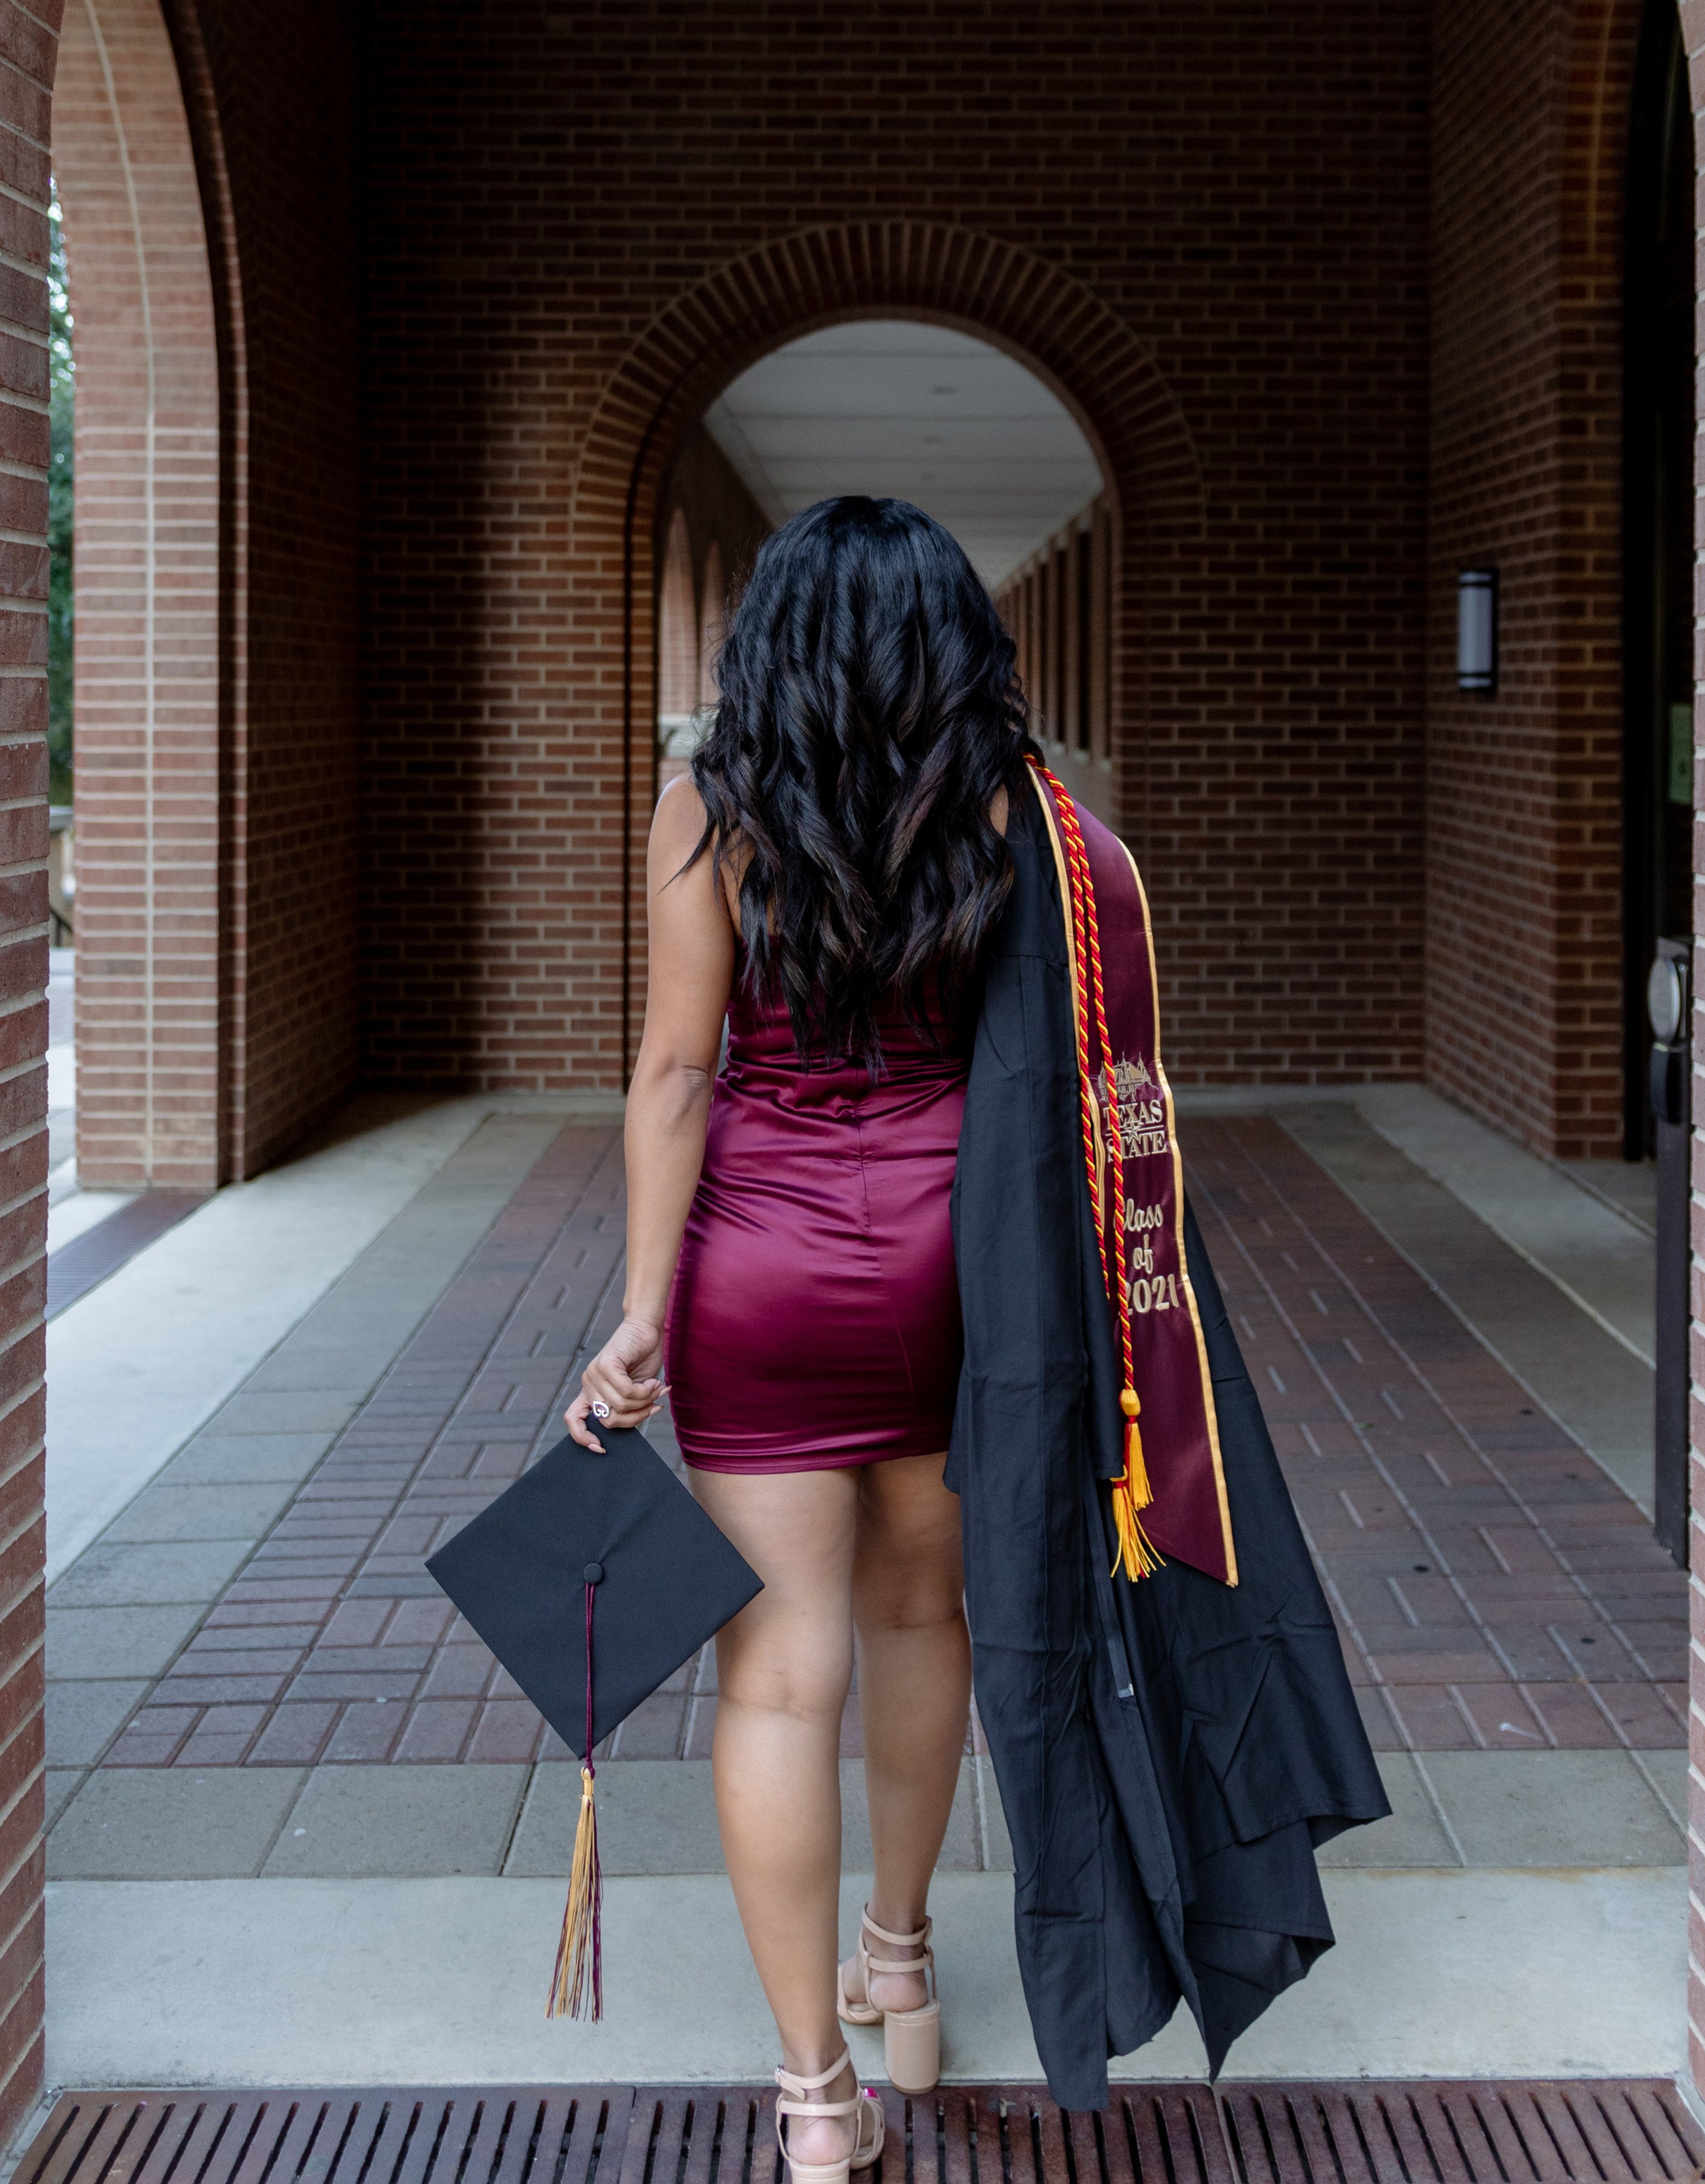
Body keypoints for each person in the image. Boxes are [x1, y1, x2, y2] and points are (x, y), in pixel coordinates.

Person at [566, 495, 1020, 2184]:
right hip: (950, 1265)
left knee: (775, 1675)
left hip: (755, 1272)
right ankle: (898, 1963)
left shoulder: (705, 813)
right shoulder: (1000, 809)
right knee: (925, 1610)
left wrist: (638, 1308)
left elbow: (675, 1074)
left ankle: (816, 2099)